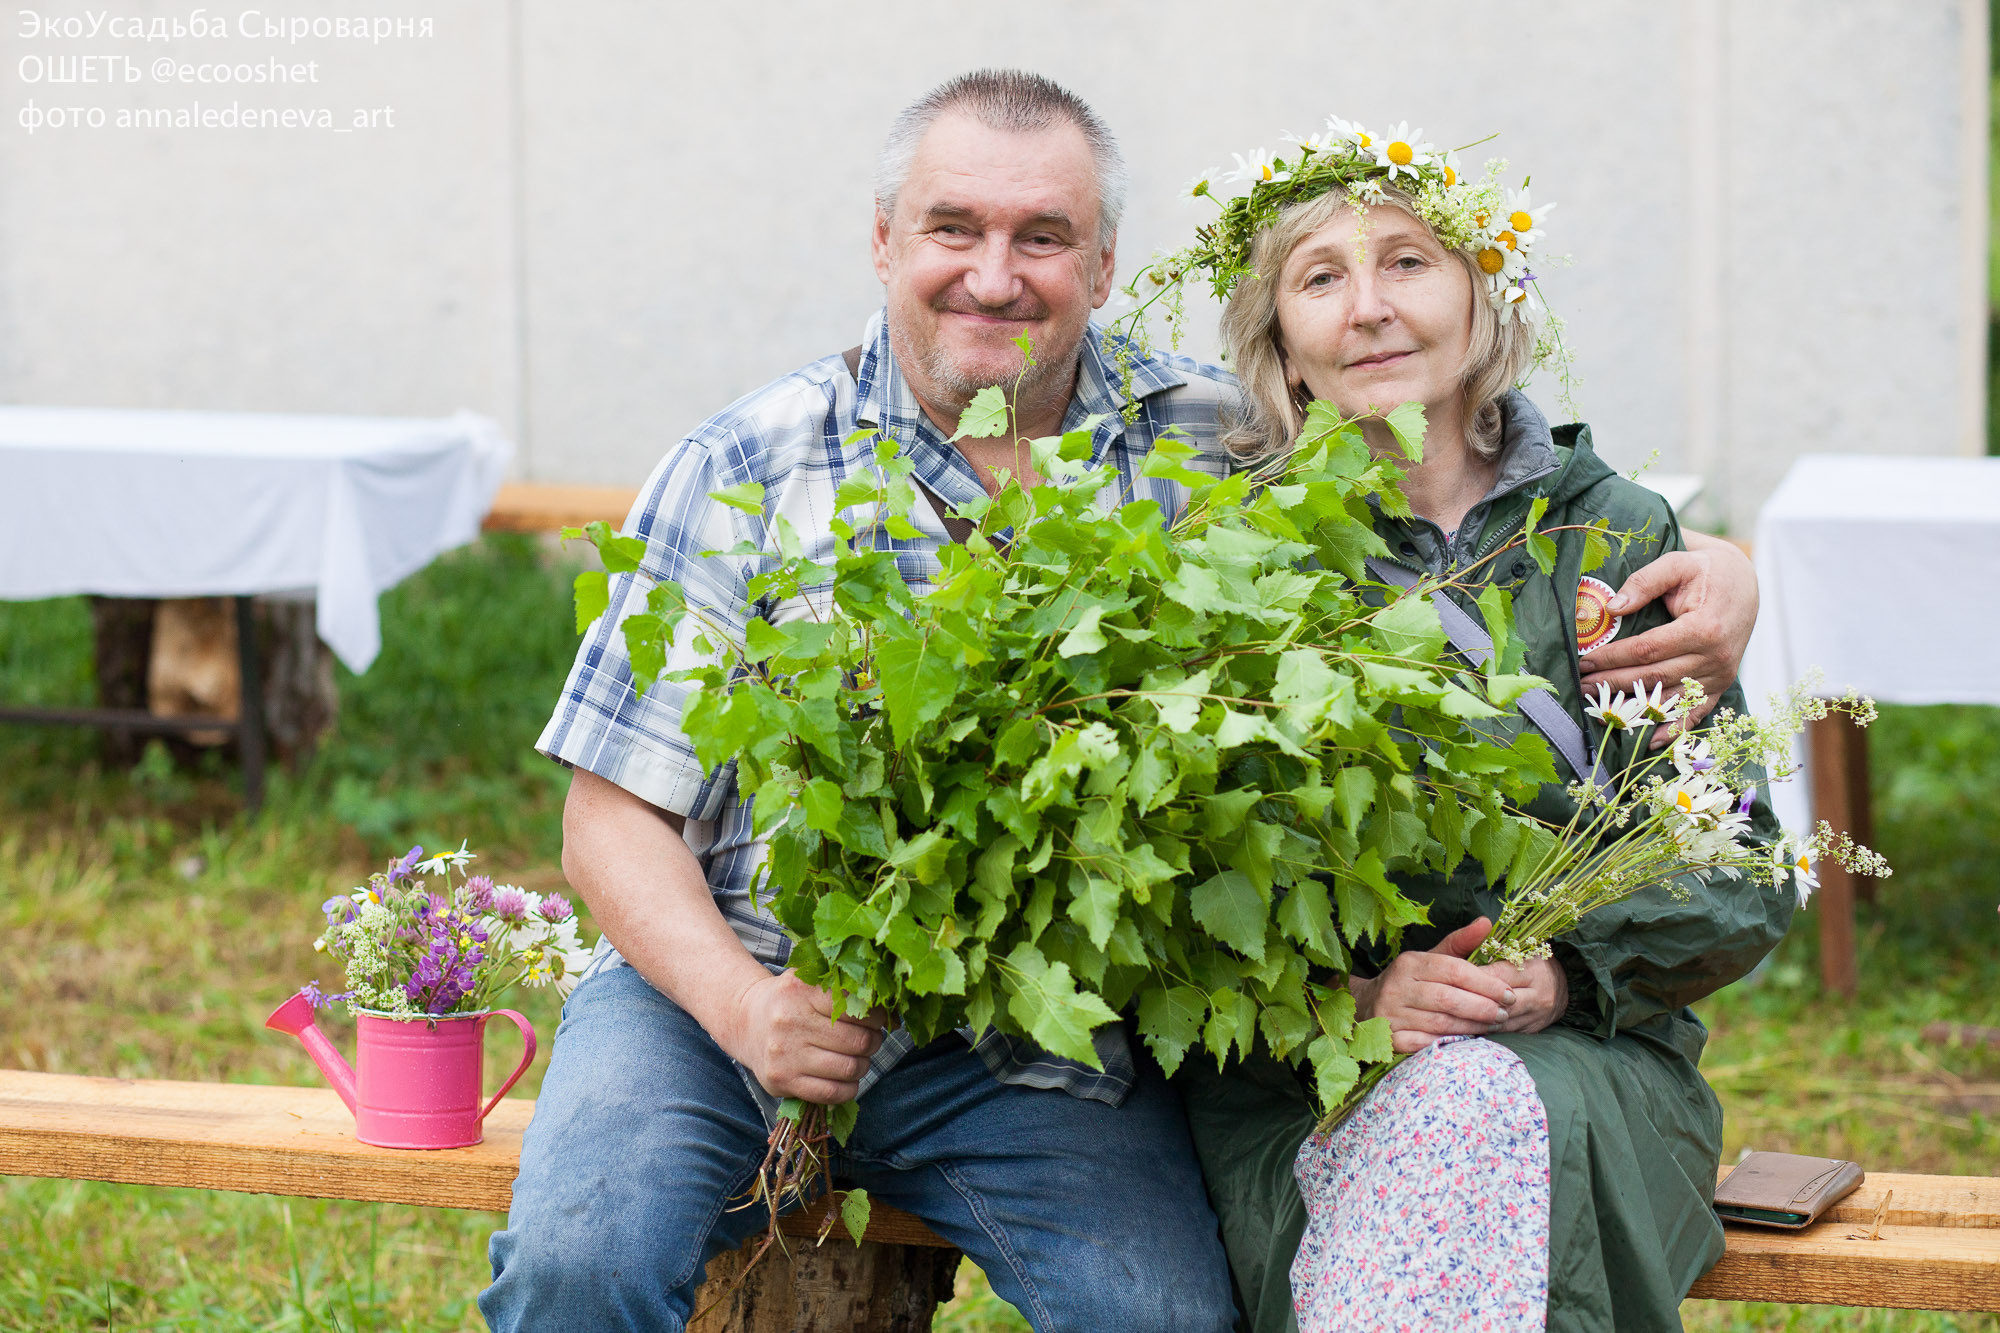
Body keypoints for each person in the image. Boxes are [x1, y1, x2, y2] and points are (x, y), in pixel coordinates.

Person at [480, 73, 1760, 1331]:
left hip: (1021, 1044)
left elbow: (1439, 479)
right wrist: (749, 1009)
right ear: (881, 242)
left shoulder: (1217, 453)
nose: (994, 274)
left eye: (1043, 237)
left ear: (1102, 269)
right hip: (719, 994)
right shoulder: (746, 467)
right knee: (577, 1267)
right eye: (952, 229)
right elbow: (606, 820)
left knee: (1156, 1313)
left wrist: (1721, 575)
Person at [1166, 127, 1792, 1333]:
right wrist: (1351, 1001)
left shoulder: (1608, 534)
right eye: (1319, 278)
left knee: (1475, 1111)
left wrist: (1560, 973)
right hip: (1304, 1076)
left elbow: (1736, 860)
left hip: (1587, 1058)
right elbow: (1167, 901)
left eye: (1405, 261)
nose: (1367, 309)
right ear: (1281, 342)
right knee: (1441, 1122)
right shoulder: (1227, 561)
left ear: (1477, 296)